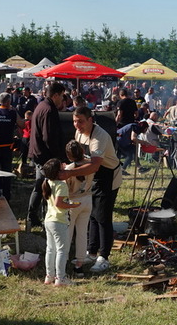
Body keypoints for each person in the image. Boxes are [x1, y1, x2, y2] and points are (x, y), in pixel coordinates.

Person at [59, 106, 122, 273]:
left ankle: (104, 257)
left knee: (103, 217)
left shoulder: (99, 136)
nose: (77, 125)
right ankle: (92, 252)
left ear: (90, 120)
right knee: (93, 214)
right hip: (93, 176)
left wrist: (69, 173)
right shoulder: (79, 133)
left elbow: (94, 165)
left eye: (80, 121)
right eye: (74, 121)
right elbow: (80, 159)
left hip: (108, 176)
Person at [26, 83, 67, 231]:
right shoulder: (49, 110)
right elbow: (48, 137)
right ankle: (42, 219)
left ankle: (32, 217)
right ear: (55, 95)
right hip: (45, 156)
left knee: (39, 187)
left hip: (38, 153)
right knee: (45, 188)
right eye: (61, 96)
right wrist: (58, 157)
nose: (62, 99)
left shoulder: (41, 105)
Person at [41, 158, 80, 286]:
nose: (64, 169)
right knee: (62, 250)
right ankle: (61, 278)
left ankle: (49, 276)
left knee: (50, 249)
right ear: (58, 172)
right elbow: (59, 203)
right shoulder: (61, 185)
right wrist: (72, 206)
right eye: (62, 168)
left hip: (49, 220)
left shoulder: (48, 182)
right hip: (59, 221)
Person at [64, 140, 94, 278]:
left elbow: (65, 189)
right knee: (82, 233)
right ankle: (79, 265)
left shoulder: (69, 169)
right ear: (82, 151)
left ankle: (63, 262)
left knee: (67, 234)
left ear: (69, 156)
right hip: (87, 199)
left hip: (73, 201)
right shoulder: (90, 162)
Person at [0, 92, 23, 200]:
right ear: (8, 102)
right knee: (6, 172)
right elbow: (22, 124)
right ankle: (6, 195)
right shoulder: (12, 113)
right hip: (7, 147)